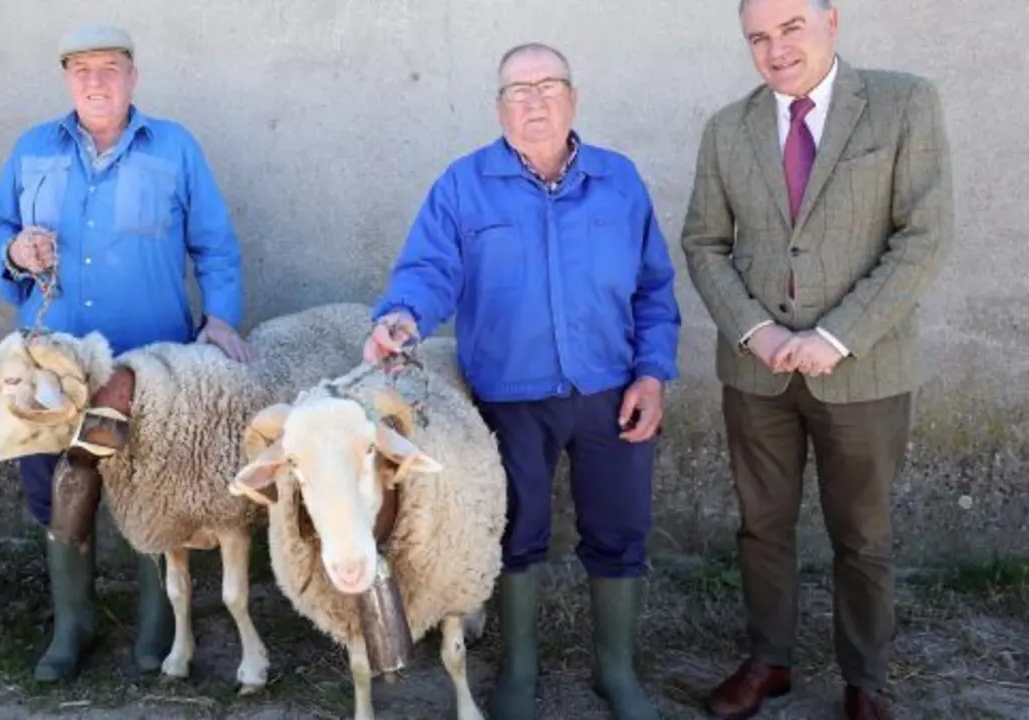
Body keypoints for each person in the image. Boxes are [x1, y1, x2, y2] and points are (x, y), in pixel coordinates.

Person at [364, 42, 681, 720]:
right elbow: (429, 269)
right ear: (498, 106)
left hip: (610, 390)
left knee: (620, 529)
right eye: (516, 90)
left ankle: (617, 671)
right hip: (511, 397)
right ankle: (519, 668)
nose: (533, 101)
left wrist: (652, 374)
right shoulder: (463, 185)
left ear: (573, 97)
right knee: (516, 530)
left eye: (547, 86)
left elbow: (654, 288)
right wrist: (401, 316)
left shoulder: (619, 182)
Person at [680, 1, 953, 718]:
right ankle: (768, 662)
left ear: (832, 21)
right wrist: (752, 331)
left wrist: (834, 336)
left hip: (862, 370)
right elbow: (704, 243)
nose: (775, 49)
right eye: (759, 38)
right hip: (757, 373)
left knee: (863, 533)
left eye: (791, 27)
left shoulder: (902, 104)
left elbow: (922, 237)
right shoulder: (726, 129)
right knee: (760, 524)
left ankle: (867, 679)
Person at [0, 25, 252, 682]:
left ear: (133, 77)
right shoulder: (33, 150)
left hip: (152, 366)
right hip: (58, 366)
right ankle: (73, 624)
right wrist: (14, 254)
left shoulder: (174, 148)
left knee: (152, 490)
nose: (96, 82)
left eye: (110, 68)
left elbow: (215, 244)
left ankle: (158, 625)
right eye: (81, 70)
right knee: (58, 487)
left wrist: (221, 318)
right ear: (66, 79)